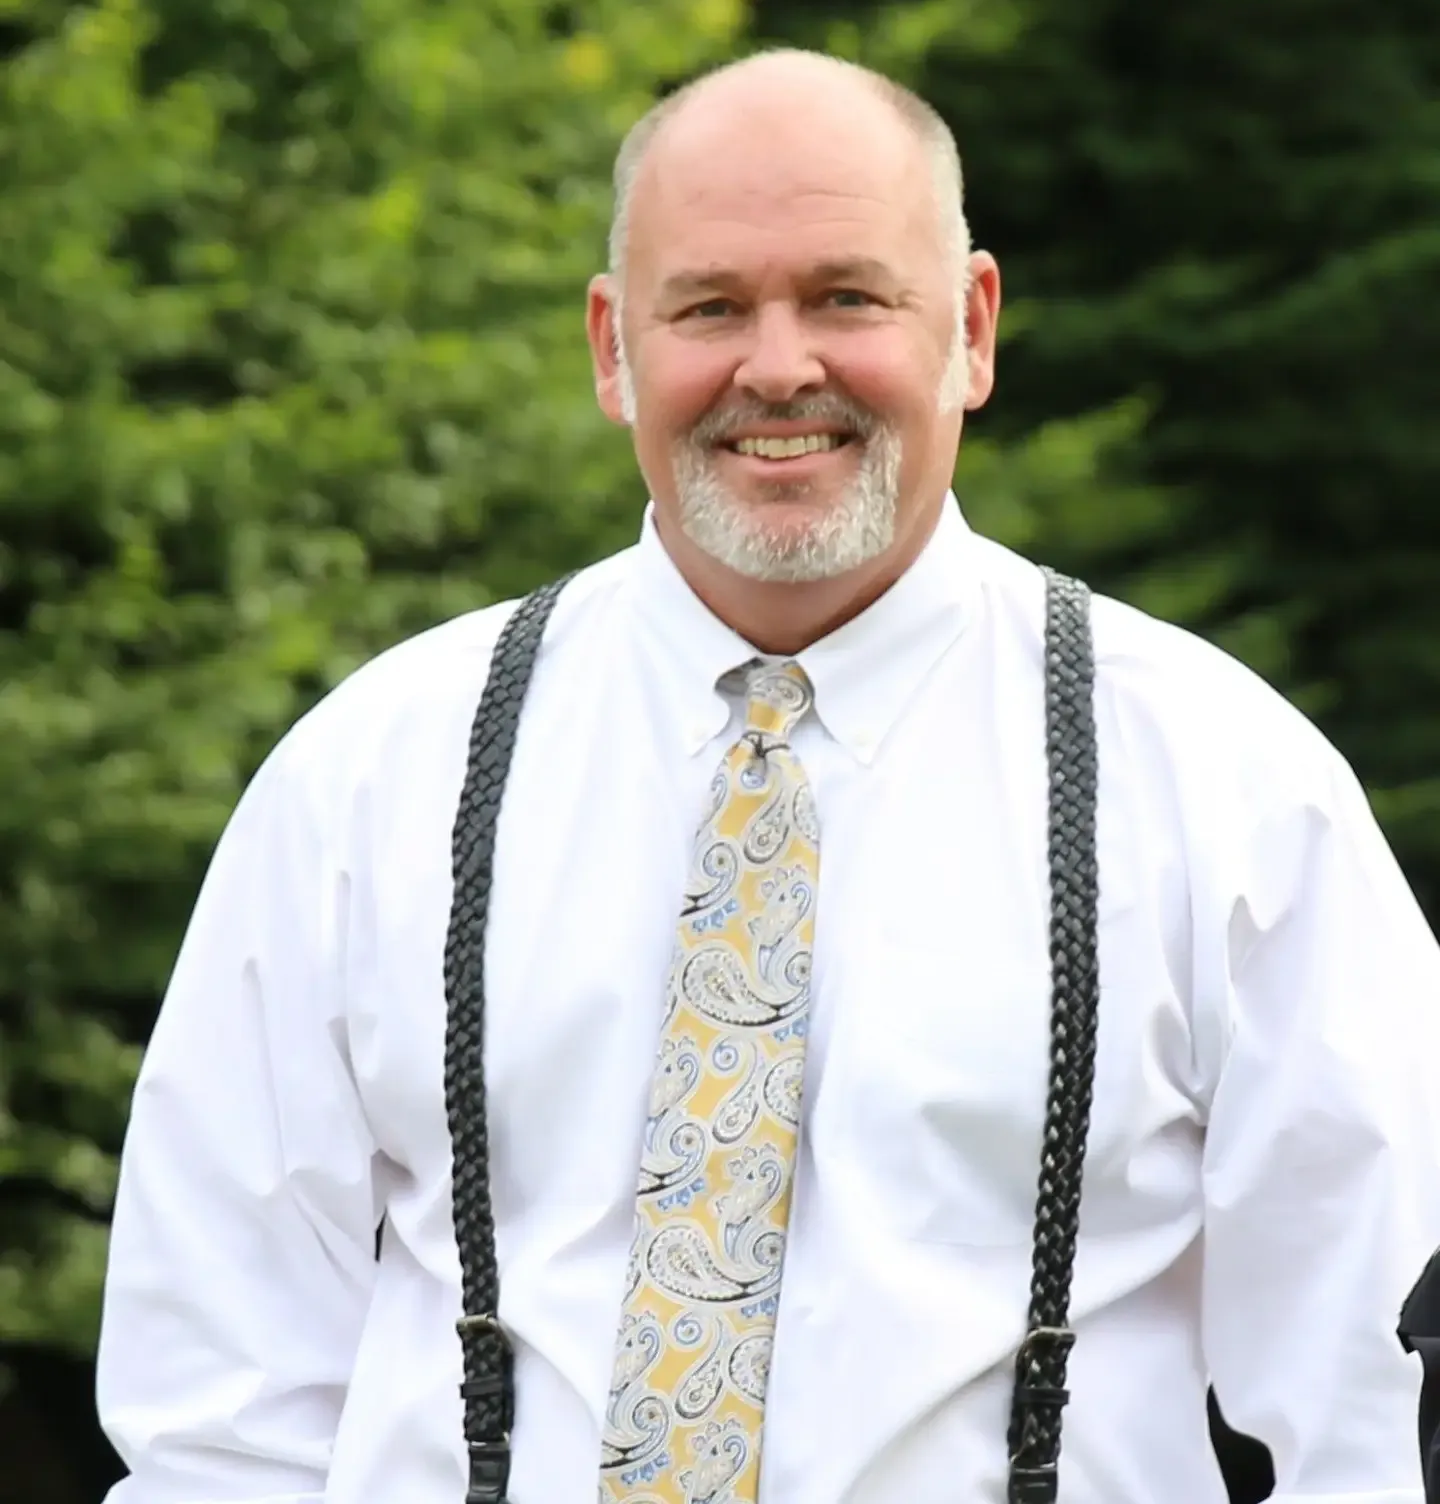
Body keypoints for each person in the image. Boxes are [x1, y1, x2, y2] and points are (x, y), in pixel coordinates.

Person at [95, 47, 1440, 1504]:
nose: (780, 365)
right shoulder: (372, 778)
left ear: (972, 327)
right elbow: (215, 1409)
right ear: (612, 346)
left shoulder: (1224, 786)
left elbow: (1381, 1409)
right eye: (711, 307)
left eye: (848, 297)